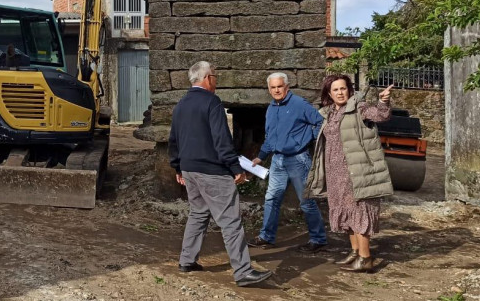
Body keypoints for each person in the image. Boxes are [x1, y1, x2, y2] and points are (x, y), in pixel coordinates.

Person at [168, 61, 273, 287]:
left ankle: (187, 260)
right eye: (215, 76)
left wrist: (178, 167)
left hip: (190, 170)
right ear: (207, 78)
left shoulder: (181, 105)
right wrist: (235, 169)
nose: (216, 80)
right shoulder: (211, 102)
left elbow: (173, 139)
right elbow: (222, 139)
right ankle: (243, 271)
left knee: (198, 213)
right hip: (211, 170)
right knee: (230, 221)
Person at [305, 75, 394, 273]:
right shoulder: (329, 113)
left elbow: (380, 116)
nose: (340, 92)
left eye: (343, 88)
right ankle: (355, 252)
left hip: (355, 171)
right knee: (346, 212)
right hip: (336, 174)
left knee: (359, 211)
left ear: (349, 90)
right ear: (329, 93)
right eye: (335, 89)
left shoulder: (359, 108)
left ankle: (365, 258)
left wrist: (383, 101)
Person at [247, 73, 328, 252]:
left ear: (287, 87)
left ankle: (318, 239)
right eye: (273, 87)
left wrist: (306, 140)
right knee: (271, 199)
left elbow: (320, 123)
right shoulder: (271, 108)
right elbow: (271, 136)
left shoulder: (299, 104)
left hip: (298, 159)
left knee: (306, 201)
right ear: (269, 89)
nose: (276, 90)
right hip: (277, 160)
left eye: (279, 86)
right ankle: (266, 236)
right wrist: (261, 155)